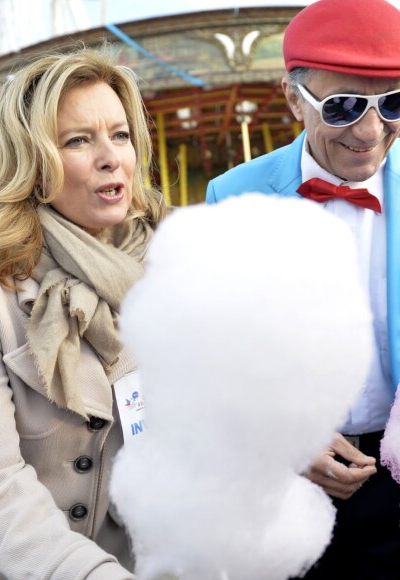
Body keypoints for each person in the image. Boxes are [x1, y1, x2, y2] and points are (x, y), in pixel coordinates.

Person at [0, 47, 166, 579]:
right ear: (33, 161)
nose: (111, 156)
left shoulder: (166, 258)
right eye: (78, 140)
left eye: (120, 135)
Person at [206, 0, 400, 577]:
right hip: (283, 486)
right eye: (343, 108)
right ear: (295, 100)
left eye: (393, 104)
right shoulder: (233, 195)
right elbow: (216, 348)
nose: (370, 133)